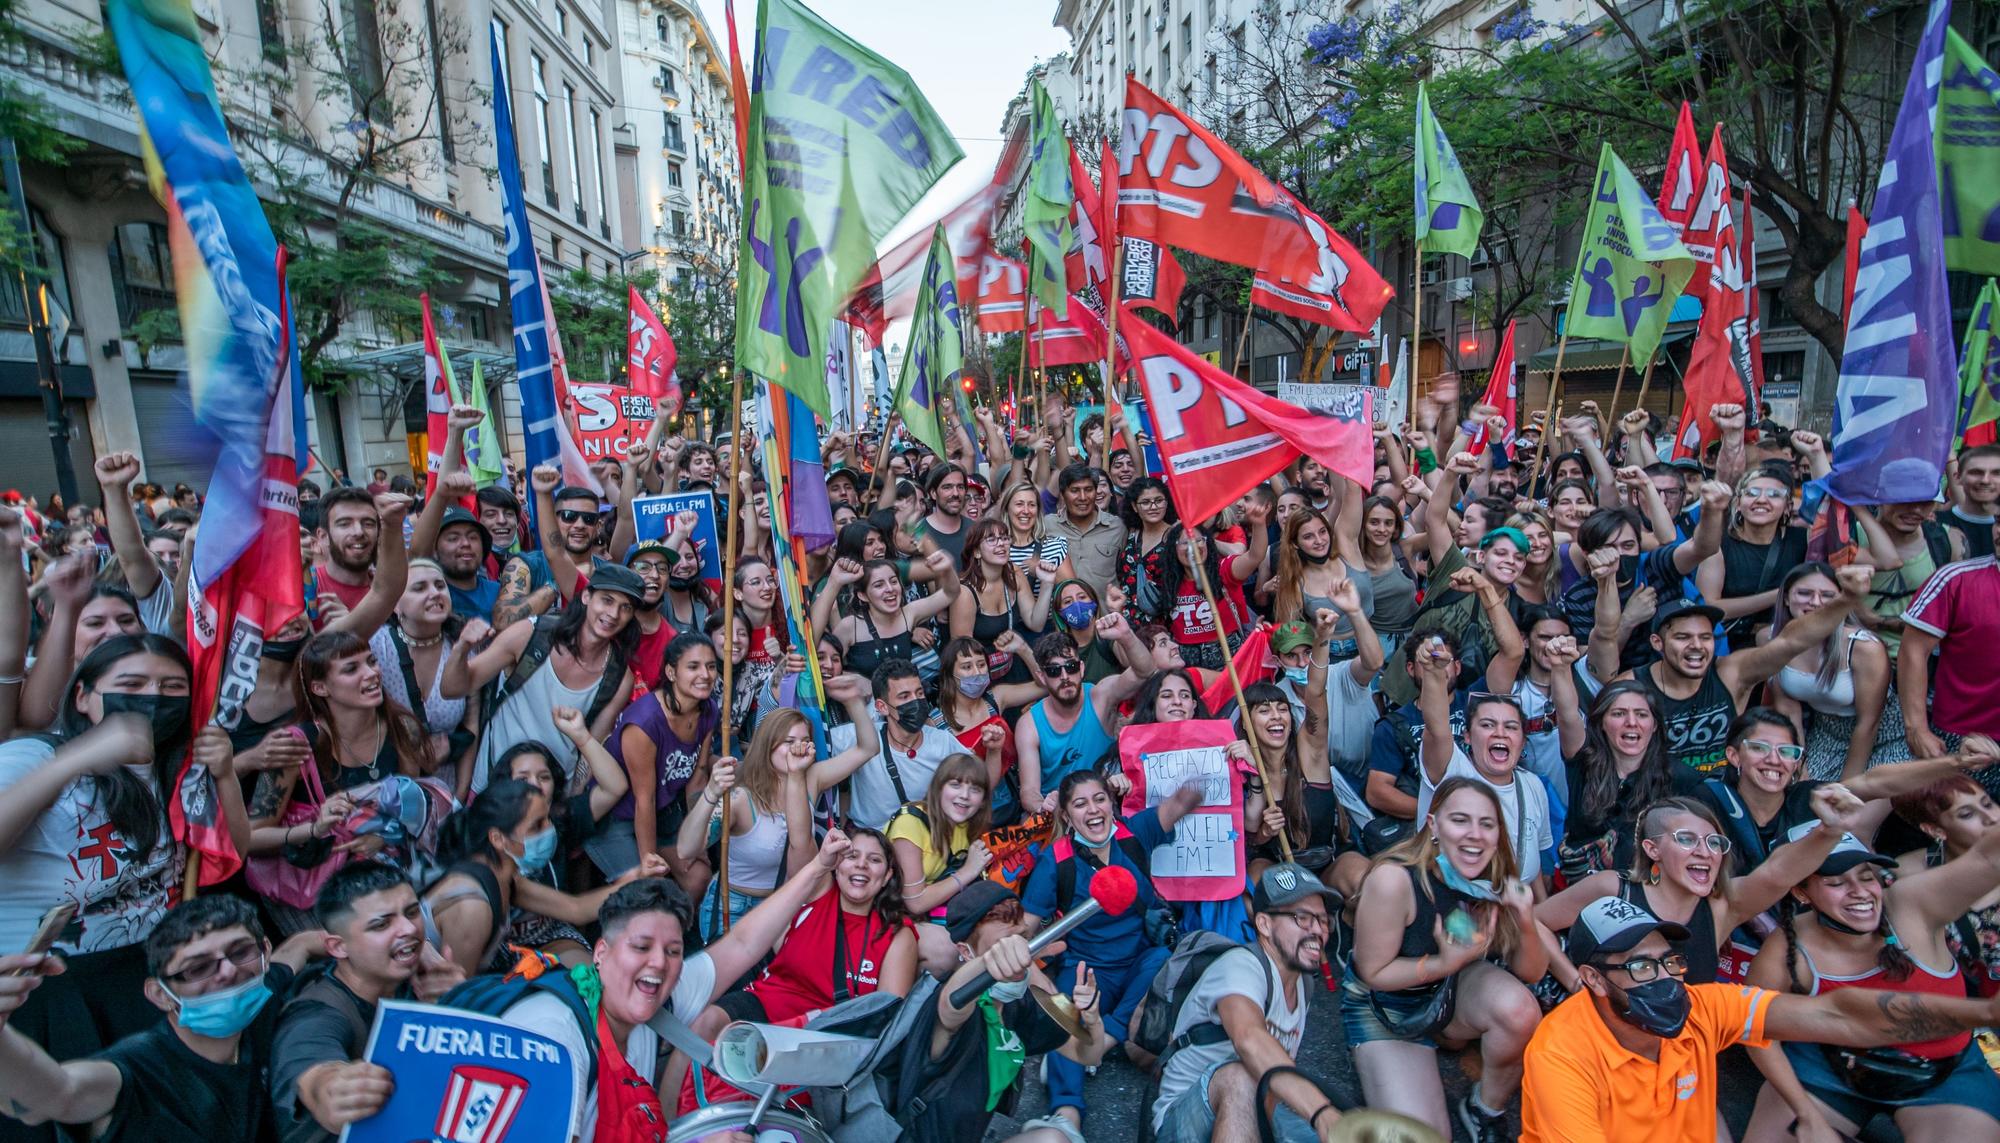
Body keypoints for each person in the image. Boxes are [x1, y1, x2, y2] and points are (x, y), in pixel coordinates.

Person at [0, 636, 253, 1095]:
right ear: (83, 697)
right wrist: (77, 757)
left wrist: (225, 774)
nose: (152, 697)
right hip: (48, 990)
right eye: (131, 683)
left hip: (145, 977)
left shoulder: (177, 766)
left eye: (172, 686)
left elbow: (233, 853)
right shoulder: (33, 756)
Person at [1740, 824, 2000, 1141]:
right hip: (1833, 1068)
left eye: (1866, 876)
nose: (1860, 891)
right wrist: (1807, 1115)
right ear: (1801, 891)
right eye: (1836, 882)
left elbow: (1988, 859)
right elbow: (1755, 1027)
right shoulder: (1788, 947)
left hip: (1942, 1068)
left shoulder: (1912, 902)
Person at [0, 895, 319, 1143]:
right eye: (197, 968)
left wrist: (332, 938)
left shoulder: (263, 999)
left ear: (263, 951)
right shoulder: (134, 1073)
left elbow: (293, 951)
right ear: (160, 994)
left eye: (239, 952)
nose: (228, 971)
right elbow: (60, 1093)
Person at [1345, 778, 1548, 1141]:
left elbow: (1531, 973)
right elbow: (1372, 973)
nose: (1475, 834)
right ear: (1433, 825)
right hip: (1386, 1007)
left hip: (1450, 993)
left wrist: (1527, 918)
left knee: (1520, 1010)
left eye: (1486, 824)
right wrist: (1443, 964)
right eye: (1460, 820)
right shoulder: (1394, 879)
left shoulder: (1494, 878)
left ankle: (1485, 1109)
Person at [679, 826, 918, 1112]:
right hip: (769, 1001)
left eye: (875, 860)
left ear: (887, 876)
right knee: (704, 1023)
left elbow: (883, 1018)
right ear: (837, 865)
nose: (862, 864)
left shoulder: (897, 934)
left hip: (824, 1033)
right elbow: (799, 837)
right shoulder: (818, 891)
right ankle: (669, 1123)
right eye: (852, 855)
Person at [1021, 772, 1204, 1133]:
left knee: (1162, 961)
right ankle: (1066, 1114)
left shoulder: (1135, 834)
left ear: (1112, 802)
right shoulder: (1055, 861)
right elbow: (1025, 931)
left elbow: (1184, 800)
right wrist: (1035, 978)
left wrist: (1207, 758)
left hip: (1139, 963)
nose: (1093, 809)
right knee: (1064, 1016)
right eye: (1080, 803)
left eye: (1099, 799)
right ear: (1066, 816)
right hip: (1086, 968)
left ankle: (1095, 1045)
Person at [1540, 785, 1864, 987]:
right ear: (1653, 850)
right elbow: (1534, 920)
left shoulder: (1722, 908)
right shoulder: (1613, 888)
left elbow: (1777, 875)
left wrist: (1829, 831)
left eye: (1714, 842)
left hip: (1678, 1058)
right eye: (1686, 839)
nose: (1704, 851)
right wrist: (1573, 980)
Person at [1606, 563, 1874, 776]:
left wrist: (1846, 600)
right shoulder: (1632, 686)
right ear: (1657, 642)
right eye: (1683, 637)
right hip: (1655, 795)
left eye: (1706, 637)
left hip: (1720, 795)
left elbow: (1792, 641)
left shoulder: (1731, 674)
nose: (1697, 646)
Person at [1150, 863, 1348, 1143]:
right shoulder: (1241, 966)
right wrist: (1320, 1112)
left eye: (1323, 920)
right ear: (1264, 924)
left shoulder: (1304, 984)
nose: (1317, 929)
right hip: (1182, 1121)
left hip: (1245, 1114)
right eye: (1302, 918)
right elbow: (1249, 1039)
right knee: (1242, 1077)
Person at [270, 862, 464, 1143]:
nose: (408, 928)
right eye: (382, 924)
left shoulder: (414, 981)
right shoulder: (314, 1015)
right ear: (337, 947)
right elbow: (314, 1074)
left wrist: (453, 1009)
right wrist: (333, 1089)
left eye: (411, 912)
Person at [902, 881, 1109, 1143]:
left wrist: (1091, 1018)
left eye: (1022, 939)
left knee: (1053, 1139)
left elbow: (1087, 1054)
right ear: (966, 951)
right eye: (1001, 945)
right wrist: (989, 962)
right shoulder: (951, 1001)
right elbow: (951, 1003)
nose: (1017, 955)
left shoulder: (1019, 1003)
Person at [422, 781, 666, 976]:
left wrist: (636, 876)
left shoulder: (505, 877)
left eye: (547, 819)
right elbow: (458, 992)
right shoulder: (472, 905)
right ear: (498, 839)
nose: (549, 830)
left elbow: (575, 909)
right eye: (537, 825)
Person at [450, 561, 644, 795]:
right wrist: (461, 649)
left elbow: (590, 749)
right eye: (607, 600)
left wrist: (569, 806)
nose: (613, 614)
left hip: (551, 799)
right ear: (586, 597)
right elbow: (452, 688)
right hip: (493, 790)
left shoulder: (618, 678)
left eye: (625, 608)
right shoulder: (529, 635)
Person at [590, 633, 721, 891]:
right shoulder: (645, 722)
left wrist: (698, 837)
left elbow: (698, 777)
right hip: (617, 817)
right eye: (693, 666)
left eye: (711, 666)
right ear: (671, 673)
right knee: (648, 891)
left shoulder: (708, 709)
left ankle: (683, 930)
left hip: (665, 811)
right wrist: (649, 862)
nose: (705, 674)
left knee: (698, 875)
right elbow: (644, 800)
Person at [1415, 651, 1556, 888]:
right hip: (1451, 905)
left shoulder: (1533, 785)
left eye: (1511, 727)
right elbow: (1436, 728)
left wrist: (1536, 918)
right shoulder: (1453, 770)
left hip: (1510, 912)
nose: (1500, 733)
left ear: (1522, 742)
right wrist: (1433, 674)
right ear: (1467, 737)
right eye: (1488, 725)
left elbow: (1534, 869)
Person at [1763, 561, 1900, 782]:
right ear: (1787, 598)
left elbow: (1869, 723)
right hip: (1825, 733)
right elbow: (1788, 710)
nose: (1816, 602)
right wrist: (1799, 766)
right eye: (1805, 593)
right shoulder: (1771, 638)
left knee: (1852, 811)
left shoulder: (1864, 647)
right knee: (1801, 795)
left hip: (1884, 736)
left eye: (1827, 595)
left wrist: (1846, 787)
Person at [1015, 613, 1157, 813]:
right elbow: (1029, 791)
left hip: (1107, 804)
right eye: (1054, 671)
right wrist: (1043, 806)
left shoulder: (1101, 696)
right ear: (1042, 677)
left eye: (1071, 667)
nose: (1065, 677)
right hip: (1059, 812)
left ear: (1081, 668)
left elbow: (1146, 672)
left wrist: (1125, 635)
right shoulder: (1029, 724)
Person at [1900, 522, 2000, 791]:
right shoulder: (1955, 579)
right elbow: (1913, 650)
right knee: (1950, 828)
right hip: (1960, 739)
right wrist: (1917, 728)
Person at [367, 558, 478, 798]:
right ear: (396, 605)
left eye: (440, 585)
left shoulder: (464, 647)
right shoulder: (375, 646)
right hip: (386, 790)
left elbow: (472, 725)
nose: (434, 593)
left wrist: (459, 796)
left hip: (445, 790)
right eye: (419, 588)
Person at [1890, 775, 2000, 995]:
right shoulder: (1904, 876)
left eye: (1988, 803)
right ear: (1935, 830)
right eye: (1967, 814)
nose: (1991, 818)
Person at [1558, 681, 1674, 878]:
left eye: (1642, 714)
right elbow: (1567, 715)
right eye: (1619, 713)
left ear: (1654, 725)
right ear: (1601, 722)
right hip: (1580, 892)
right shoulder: (1583, 764)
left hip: (1646, 894)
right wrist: (1561, 668)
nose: (1631, 722)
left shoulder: (1679, 777)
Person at [1694, 467, 1810, 647]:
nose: (1761, 500)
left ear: (1788, 507)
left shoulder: (1803, 540)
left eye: (1774, 494)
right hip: (1730, 643)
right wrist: (1781, 594)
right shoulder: (1719, 544)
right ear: (1738, 503)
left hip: (1787, 642)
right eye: (1752, 493)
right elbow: (1708, 606)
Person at [1045, 461, 1126, 588]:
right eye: (1075, 490)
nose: (1083, 497)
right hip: (1059, 607)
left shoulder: (1118, 527)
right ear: (1062, 494)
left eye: (1088, 490)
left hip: (1105, 607)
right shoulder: (1047, 525)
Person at [307, 488, 382, 624]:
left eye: (368, 524)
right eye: (344, 524)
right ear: (323, 537)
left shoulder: (393, 591)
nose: (358, 532)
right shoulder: (305, 590)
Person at [1942, 444, 2000, 560]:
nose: (1985, 480)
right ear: (1957, 477)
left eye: (1996, 473)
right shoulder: (1937, 525)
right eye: (1976, 472)